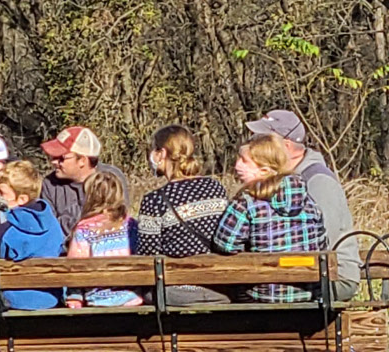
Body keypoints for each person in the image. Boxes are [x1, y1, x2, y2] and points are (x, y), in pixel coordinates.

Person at [246, 109, 358, 300]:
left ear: (286, 146)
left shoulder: (318, 181)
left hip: (332, 277)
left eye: (263, 141)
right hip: (300, 272)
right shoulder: (283, 181)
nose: (254, 145)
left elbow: (320, 243)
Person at [214, 133, 329, 303]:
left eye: (245, 161)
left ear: (265, 170)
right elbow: (322, 244)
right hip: (307, 296)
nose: (237, 166)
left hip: (262, 297)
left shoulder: (247, 203)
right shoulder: (310, 202)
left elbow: (225, 244)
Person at [135, 124, 232, 306]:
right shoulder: (216, 188)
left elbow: (148, 254)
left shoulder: (154, 200)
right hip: (219, 286)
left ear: (161, 154)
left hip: (175, 290)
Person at [0, 161, 66, 309]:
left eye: (3, 193)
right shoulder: (54, 225)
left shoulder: (7, 231)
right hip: (50, 298)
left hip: (14, 300)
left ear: (22, 199)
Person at [64, 171, 143, 308]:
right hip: (130, 295)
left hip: (97, 297)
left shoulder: (84, 229)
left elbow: (75, 268)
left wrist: (74, 297)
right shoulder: (131, 225)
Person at [41, 125, 131, 235]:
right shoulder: (50, 184)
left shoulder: (111, 178)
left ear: (82, 160)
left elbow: (118, 221)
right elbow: (49, 231)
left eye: (61, 158)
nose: (54, 162)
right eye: (53, 157)